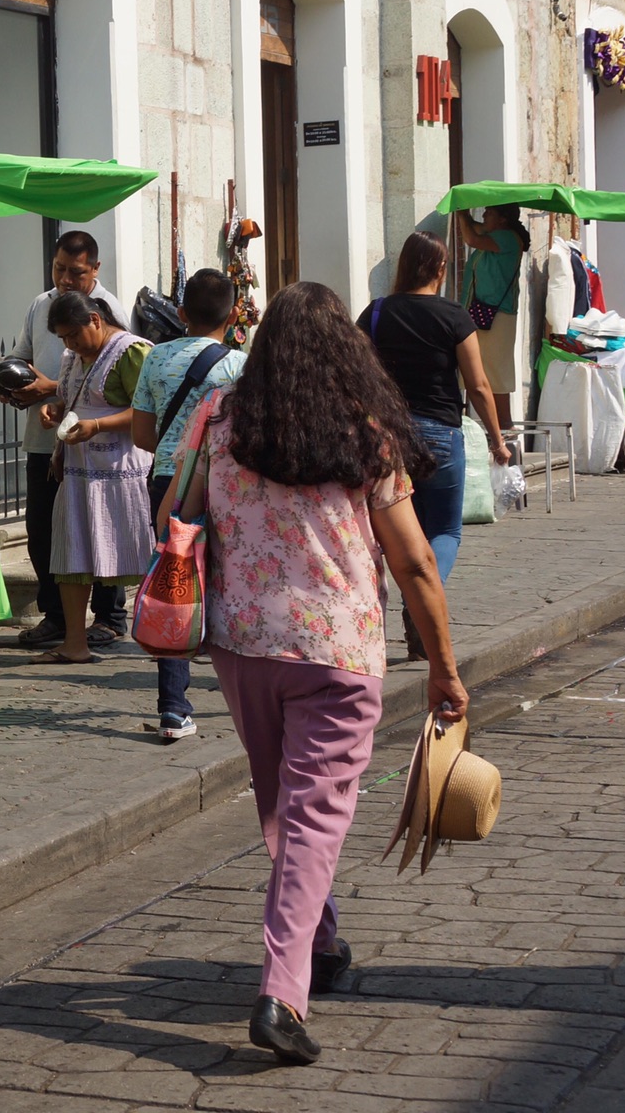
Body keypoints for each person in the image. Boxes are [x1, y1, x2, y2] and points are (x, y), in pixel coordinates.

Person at [158, 282, 468, 1066]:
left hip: (244, 645)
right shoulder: (366, 433)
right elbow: (415, 563)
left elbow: (173, 515)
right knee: (313, 818)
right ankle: (283, 994)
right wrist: (443, 667)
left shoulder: (218, 420)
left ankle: (320, 941)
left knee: (285, 807)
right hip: (338, 652)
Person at [359, 232, 511, 657]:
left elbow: (353, 370)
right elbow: (478, 386)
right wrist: (497, 441)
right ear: (441, 270)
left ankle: (404, 606)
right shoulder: (454, 316)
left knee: (388, 530)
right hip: (440, 435)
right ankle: (421, 600)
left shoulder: (376, 313)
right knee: (443, 529)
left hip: (386, 438)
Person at [128, 269, 246, 740]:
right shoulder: (239, 366)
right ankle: (243, 690)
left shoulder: (156, 358)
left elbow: (142, 435)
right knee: (230, 580)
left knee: (174, 582)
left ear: (180, 313)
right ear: (233, 316)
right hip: (224, 484)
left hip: (168, 484)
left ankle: (173, 709)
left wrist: (178, 448)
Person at [6, 231, 131, 648]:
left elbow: (111, 378)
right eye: (58, 268)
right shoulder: (40, 304)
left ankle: (109, 616)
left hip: (98, 452)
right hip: (49, 442)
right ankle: (57, 617)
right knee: (44, 531)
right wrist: (13, 379)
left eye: (75, 272)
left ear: (95, 269)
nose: (64, 279)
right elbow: (23, 354)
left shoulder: (107, 311)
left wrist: (52, 389)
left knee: (101, 530)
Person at [35, 291, 153, 665]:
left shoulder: (131, 352)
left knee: (146, 557)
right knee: (72, 556)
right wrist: (55, 408)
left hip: (120, 474)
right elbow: (73, 397)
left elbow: (148, 410)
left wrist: (98, 425)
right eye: (63, 338)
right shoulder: (73, 358)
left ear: (96, 320)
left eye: (73, 335)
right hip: (77, 473)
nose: (69, 344)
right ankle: (75, 643)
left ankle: (166, 636)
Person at [455, 204, 528, 423]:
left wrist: (461, 212)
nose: (485, 215)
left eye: (490, 212)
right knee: (481, 370)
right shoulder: (496, 235)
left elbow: (471, 239)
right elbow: (475, 228)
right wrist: (465, 216)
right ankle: (494, 427)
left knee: (494, 374)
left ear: (503, 219)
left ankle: (504, 427)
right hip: (483, 313)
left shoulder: (507, 237)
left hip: (496, 316)